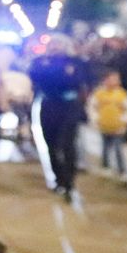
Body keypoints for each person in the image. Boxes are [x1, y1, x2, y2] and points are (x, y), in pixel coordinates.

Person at [29, 35, 87, 200]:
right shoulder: (40, 62)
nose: (55, 47)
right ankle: (58, 178)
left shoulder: (75, 62)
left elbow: (77, 81)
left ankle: (69, 181)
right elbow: (37, 77)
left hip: (69, 106)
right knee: (51, 143)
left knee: (67, 144)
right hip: (49, 105)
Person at [88, 69, 127, 182]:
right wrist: (96, 119)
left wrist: (123, 120)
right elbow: (92, 107)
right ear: (105, 80)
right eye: (112, 79)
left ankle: (122, 170)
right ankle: (105, 167)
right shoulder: (98, 94)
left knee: (118, 149)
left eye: (116, 79)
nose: (115, 81)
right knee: (105, 148)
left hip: (118, 128)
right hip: (104, 127)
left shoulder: (122, 94)